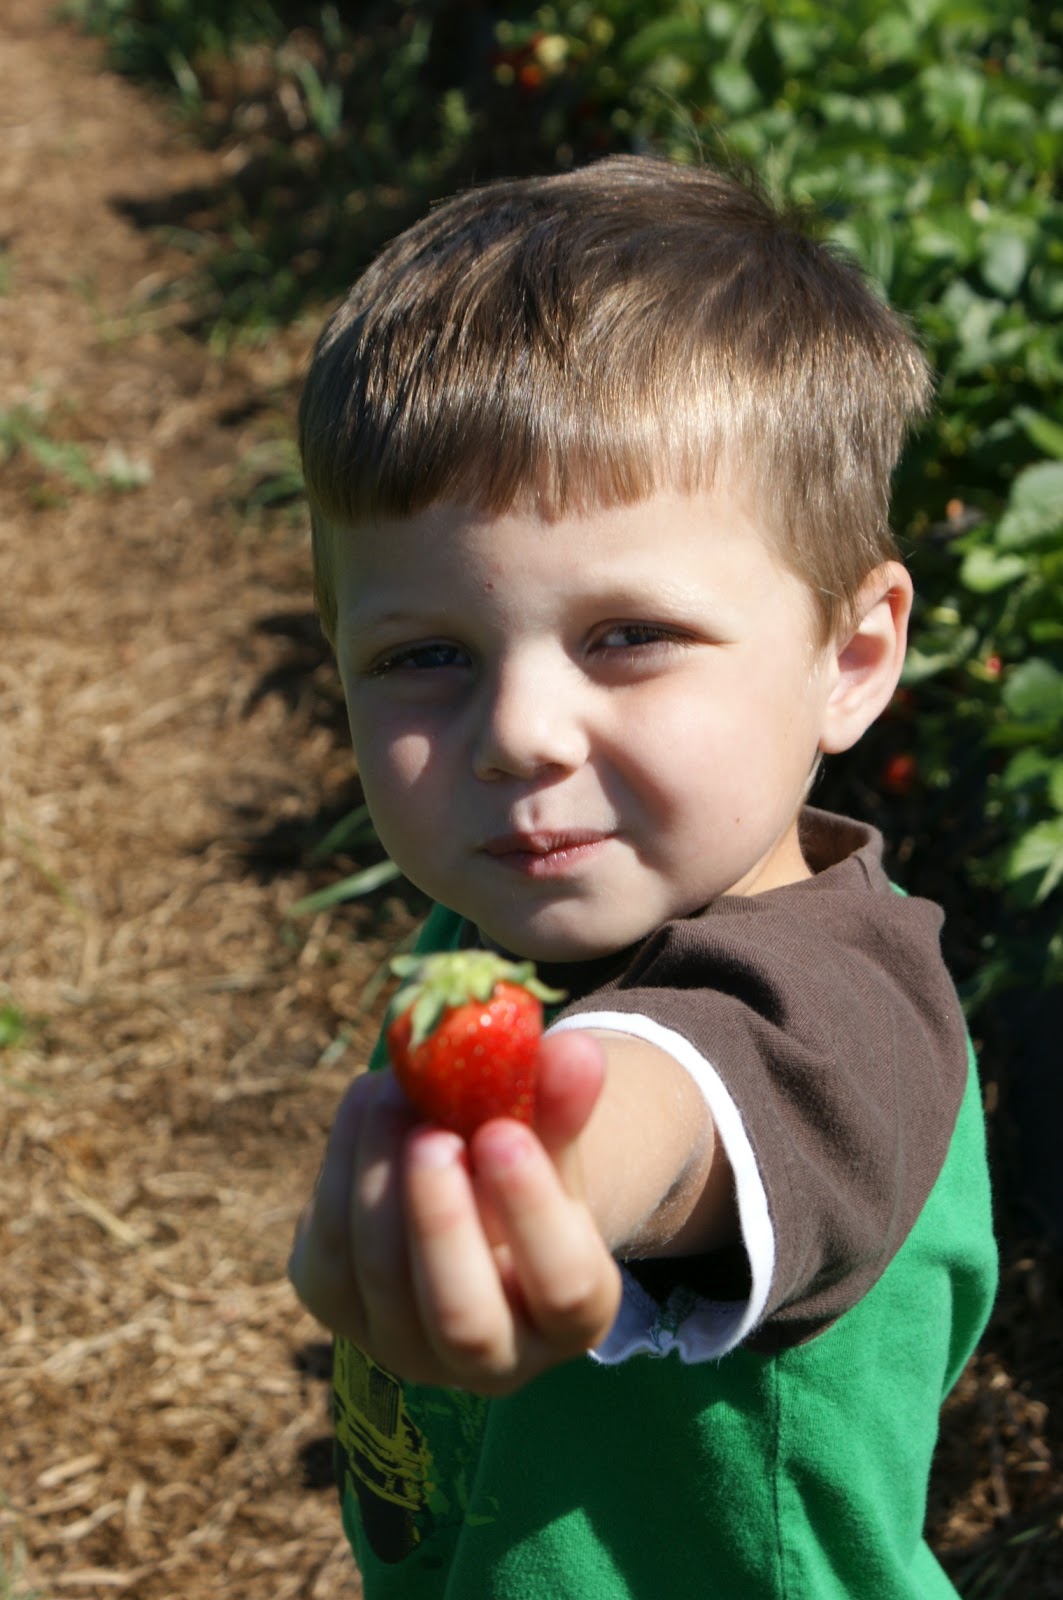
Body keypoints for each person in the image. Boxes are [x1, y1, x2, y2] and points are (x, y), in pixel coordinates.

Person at [287, 155, 997, 1599]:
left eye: (630, 637)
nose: (520, 733)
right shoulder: (503, 919)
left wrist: (546, 1172)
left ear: (851, 658)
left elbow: (665, 1105)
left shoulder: (847, 1014)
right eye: (428, 657)